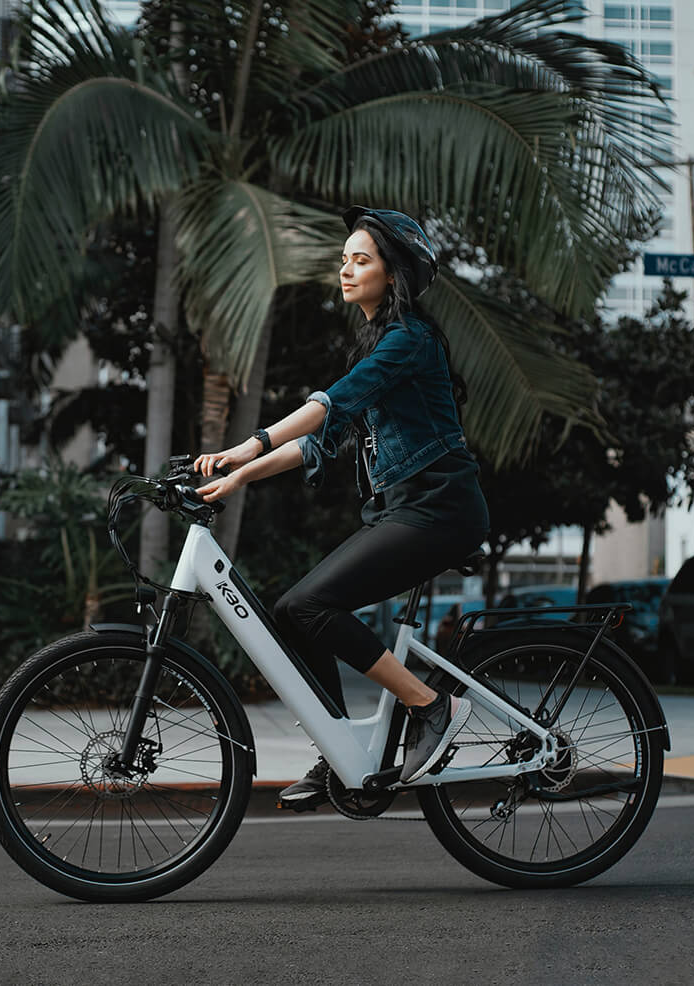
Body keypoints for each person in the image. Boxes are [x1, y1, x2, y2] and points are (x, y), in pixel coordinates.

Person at [194, 206, 490, 811]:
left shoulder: (409, 340)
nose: (346, 269)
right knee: (293, 609)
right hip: (404, 510)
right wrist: (237, 474)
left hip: (439, 508)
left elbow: (329, 405)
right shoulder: (380, 343)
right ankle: (338, 750)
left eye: (362, 259)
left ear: (394, 273)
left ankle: (434, 705)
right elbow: (320, 439)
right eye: (345, 259)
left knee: (308, 605)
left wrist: (248, 443)